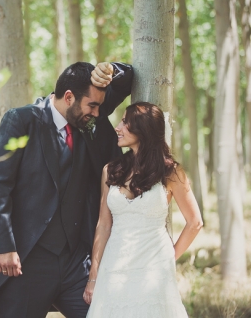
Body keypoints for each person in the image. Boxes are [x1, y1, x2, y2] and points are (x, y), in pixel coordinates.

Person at [0, 61, 134, 318]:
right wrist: (3, 246)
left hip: (75, 263)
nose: (99, 113)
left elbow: (125, 80)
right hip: (27, 261)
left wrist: (110, 69)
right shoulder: (22, 120)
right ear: (69, 97)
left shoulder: (86, 119)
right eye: (93, 106)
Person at [84, 102, 203, 317]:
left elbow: (195, 222)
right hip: (114, 266)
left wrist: (170, 257)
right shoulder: (110, 171)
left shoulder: (171, 173)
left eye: (125, 123)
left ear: (144, 130)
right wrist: (94, 275)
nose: (117, 128)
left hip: (154, 269)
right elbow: (103, 225)